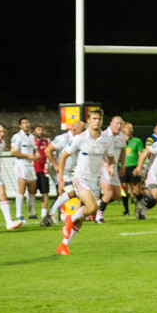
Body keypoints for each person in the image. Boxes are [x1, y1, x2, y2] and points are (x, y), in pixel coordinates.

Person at [56, 109, 115, 255]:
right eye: (94, 118)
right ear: (88, 120)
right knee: (93, 207)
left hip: (95, 180)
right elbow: (63, 157)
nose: (97, 121)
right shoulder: (79, 138)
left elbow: (112, 159)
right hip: (80, 178)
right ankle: (70, 218)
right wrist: (61, 180)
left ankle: (63, 245)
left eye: (99, 119)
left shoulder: (106, 139)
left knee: (82, 217)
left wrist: (110, 167)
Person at [46, 120, 84, 222]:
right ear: (74, 129)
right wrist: (55, 164)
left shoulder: (78, 139)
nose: (83, 132)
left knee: (65, 193)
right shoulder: (63, 138)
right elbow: (47, 150)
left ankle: (47, 217)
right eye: (82, 130)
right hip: (60, 170)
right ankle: (52, 212)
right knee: (71, 192)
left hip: (69, 171)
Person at [96, 115, 126, 222]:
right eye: (117, 124)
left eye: (120, 124)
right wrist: (106, 165)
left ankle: (97, 204)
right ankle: (99, 217)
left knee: (117, 195)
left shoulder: (121, 136)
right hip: (103, 167)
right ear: (111, 124)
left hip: (114, 167)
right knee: (108, 193)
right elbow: (99, 153)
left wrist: (122, 165)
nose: (119, 126)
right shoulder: (104, 135)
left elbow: (123, 150)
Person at [10, 116, 38, 222]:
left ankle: (31, 213)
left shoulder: (31, 136)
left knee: (32, 190)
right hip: (21, 165)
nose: (26, 124)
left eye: (27, 122)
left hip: (30, 165)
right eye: (24, 123)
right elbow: (13, 152)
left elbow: (34, 149)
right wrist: (27, 156)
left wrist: (37, 154)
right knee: (21, 190)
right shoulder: (17, 137)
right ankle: (19, 215)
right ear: (20, 126)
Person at [121, 121, 144, 216]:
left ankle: (138, 209)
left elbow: (141, 155)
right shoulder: (119, 141)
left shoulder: (137, 141)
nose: (128, 129)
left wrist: (139, 167)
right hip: (123, 168)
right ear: (123, 129)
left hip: (133, 167)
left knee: (137, 190)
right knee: (124, 190)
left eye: (130, 128)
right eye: (126, 127)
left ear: (132, 130)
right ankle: (126, 210)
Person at [32, 123, 53, 226]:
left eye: (41, 129)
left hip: (43, 170)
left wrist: (47, 167)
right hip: (33, 170)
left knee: (45, 192)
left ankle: (43, 214)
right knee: (32, 192)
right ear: (34, 130)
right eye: (38, 129)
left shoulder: (46, 141)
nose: (40, 131)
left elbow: (49, 155)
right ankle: (31, 213)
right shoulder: (31, 141)